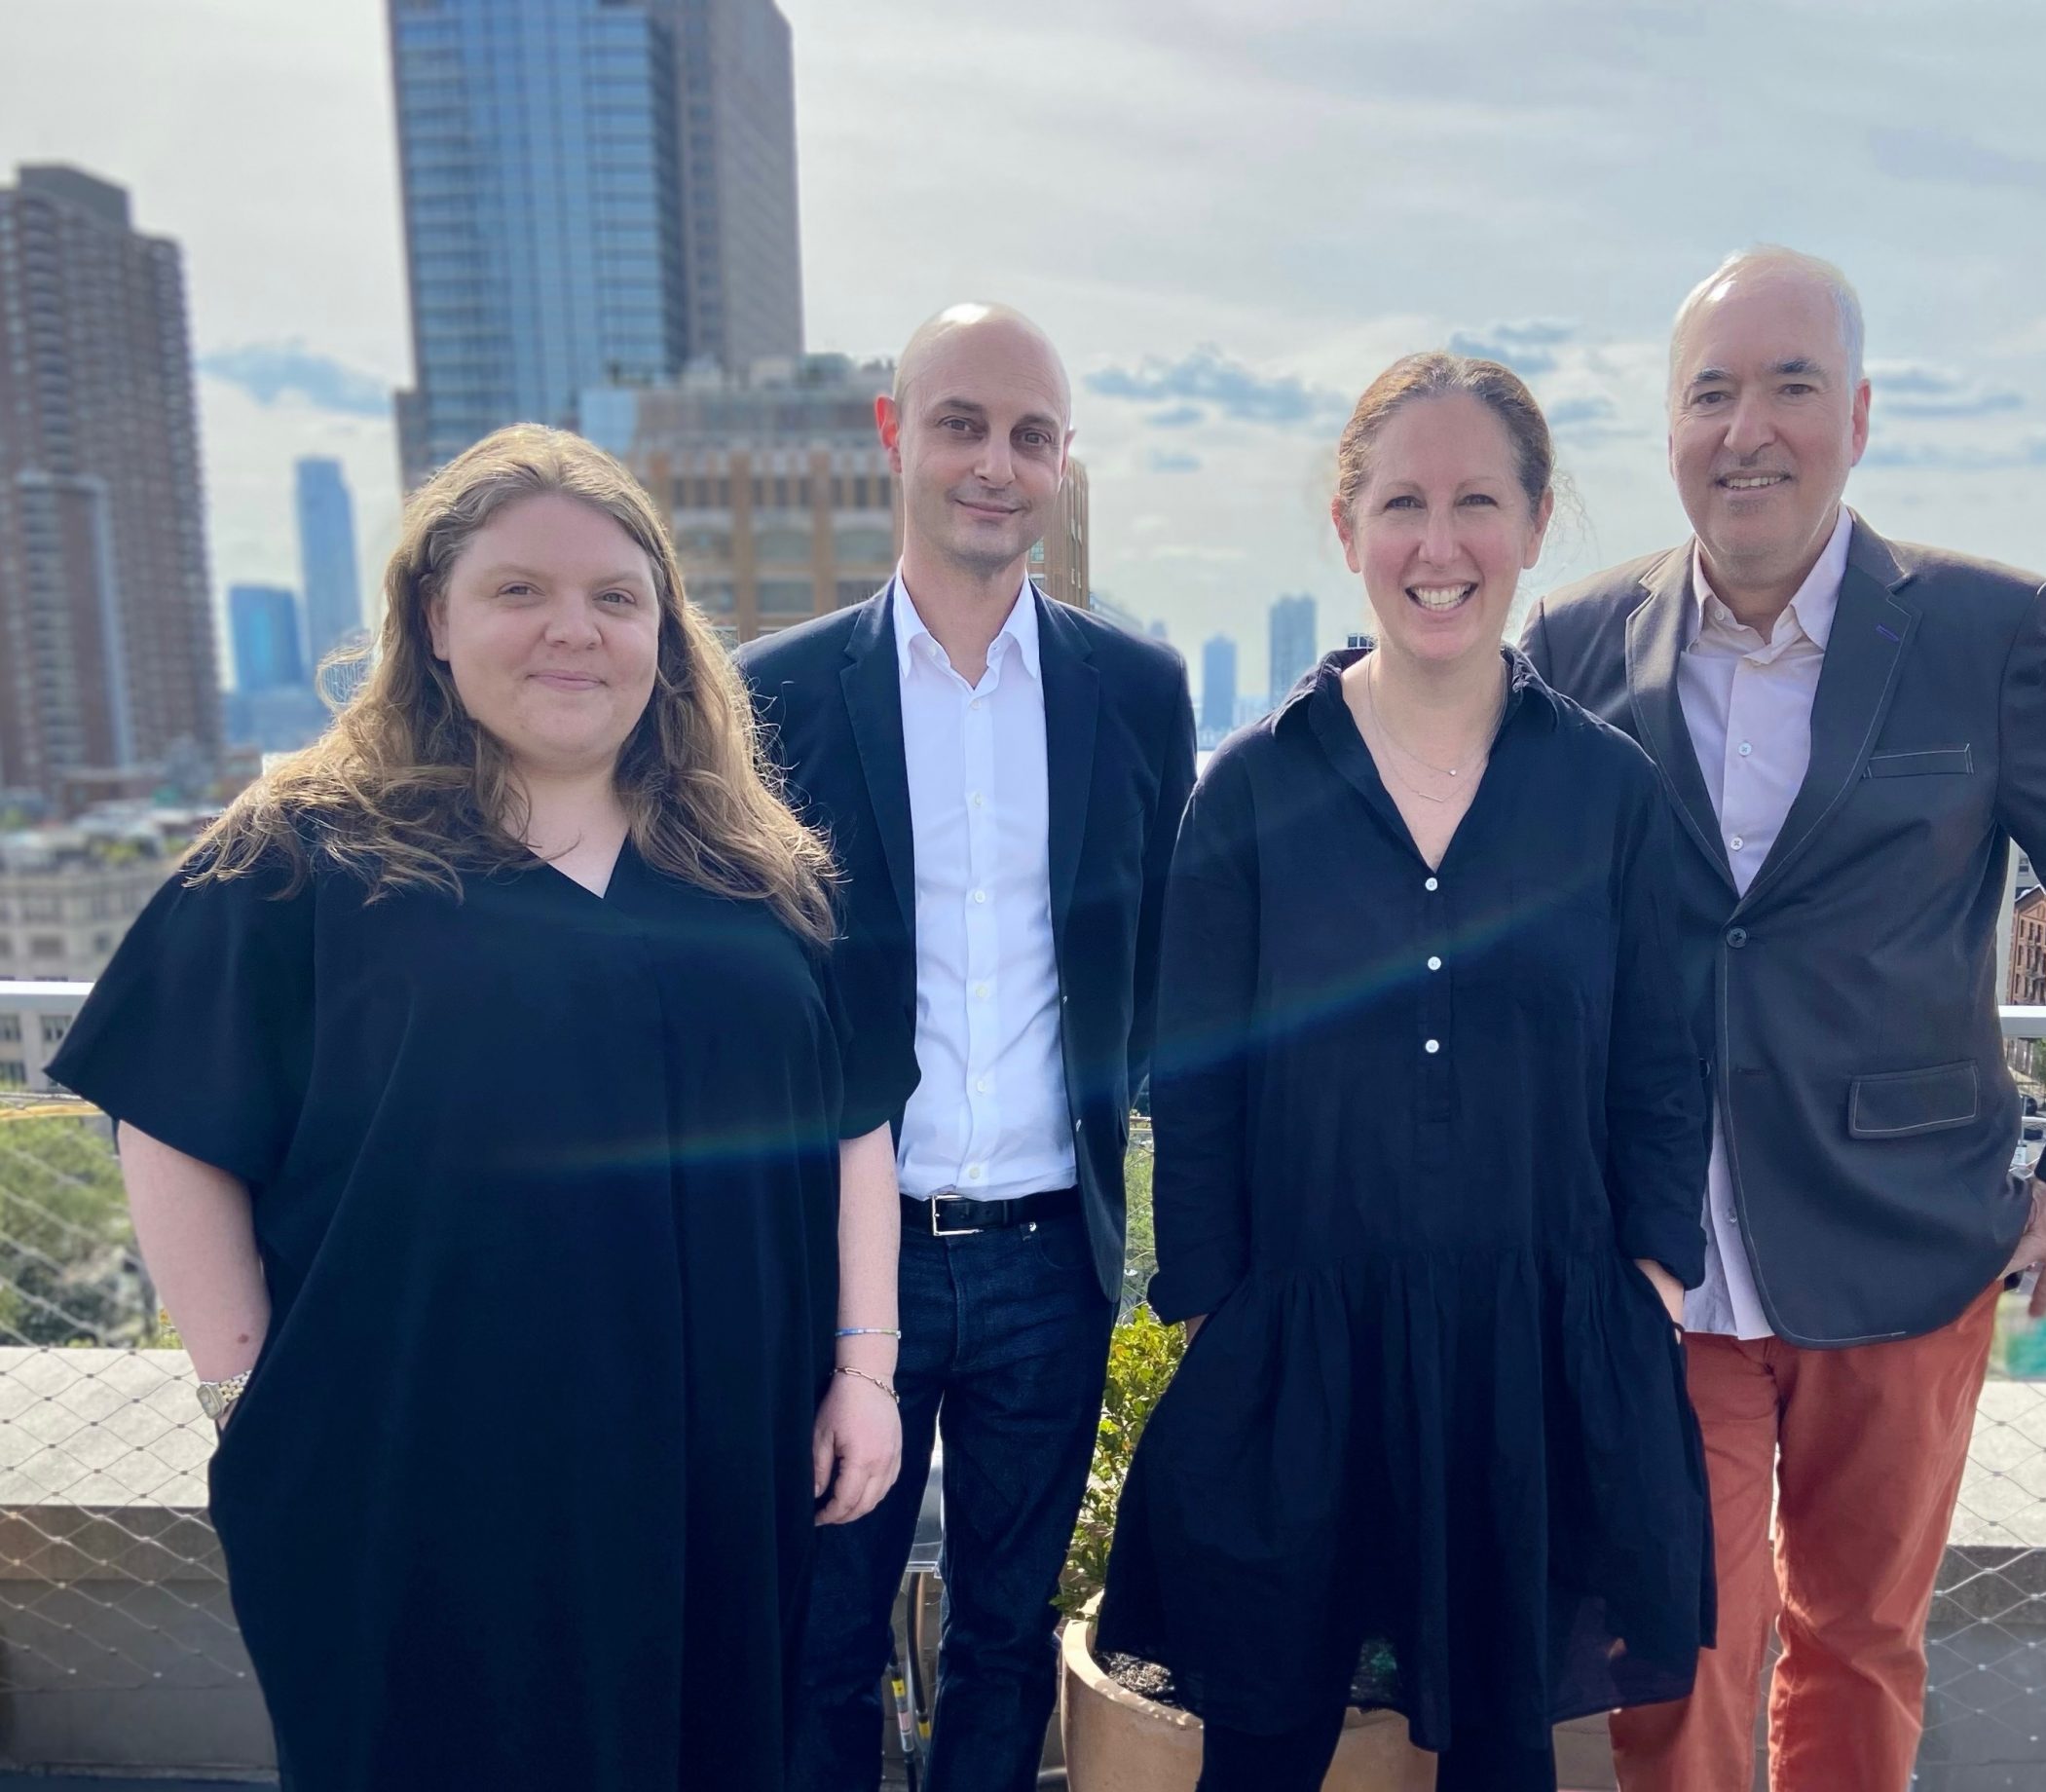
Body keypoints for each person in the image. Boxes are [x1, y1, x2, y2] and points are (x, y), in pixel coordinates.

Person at [47, 427, 910, 1792]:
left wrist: (866, 1372)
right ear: (434, 621)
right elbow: (169, 1114)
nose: (574, 630)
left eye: (617, 598)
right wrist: (247, 1387)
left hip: (715, 1462)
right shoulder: (307, 855)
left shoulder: (762, 877)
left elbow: (857, 1116)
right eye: (520, 590)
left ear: (667, 638)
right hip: (413, 1469)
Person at [1520, 246, 2046, 1791]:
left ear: (1861, 416)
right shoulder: (1573, 646)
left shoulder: (1989, 630)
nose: (1746, 428)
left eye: (1789, 386)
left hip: (1905, 1233)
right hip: (1656, 1254)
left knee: (1859, 1637)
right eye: (1710, 393)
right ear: (1671, 426)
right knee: (1678, 1635)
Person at [1096, 351, 1715, 1792]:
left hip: (1533, 1342)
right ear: (1347, 525)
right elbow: (1196, 1078)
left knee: (1505, 1750)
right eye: (1403, 503)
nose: (1440, 546)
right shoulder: (1253, 785)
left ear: (1537, 522)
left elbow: (1663, 1065)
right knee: (1262, 1742)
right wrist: (1207, 1310)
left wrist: (1649, 1287)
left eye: (1477, 502)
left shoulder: (1608, 794)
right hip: (1301, 1338)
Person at [739, 303, 1197, 1792]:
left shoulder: (1138, 694)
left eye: (1030, 436)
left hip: (1049, 1261)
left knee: (1008, 1638)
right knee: (820, 1637)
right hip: (842, 1268)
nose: (993, 464)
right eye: (961, 425)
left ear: (1061, 464)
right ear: (895, 435)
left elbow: (1169, 975)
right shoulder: (776, 696)